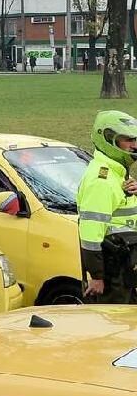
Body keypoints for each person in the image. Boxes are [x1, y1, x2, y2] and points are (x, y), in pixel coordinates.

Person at [78, 110, 137, 304]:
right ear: (109, 139)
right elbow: (91, 233)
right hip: (112, 272)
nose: (134, 145)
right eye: (127, 140)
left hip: (125, 265)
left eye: (135, 139)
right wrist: (96, 277)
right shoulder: (101, 180)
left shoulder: (117, 173)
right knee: (115, 324)